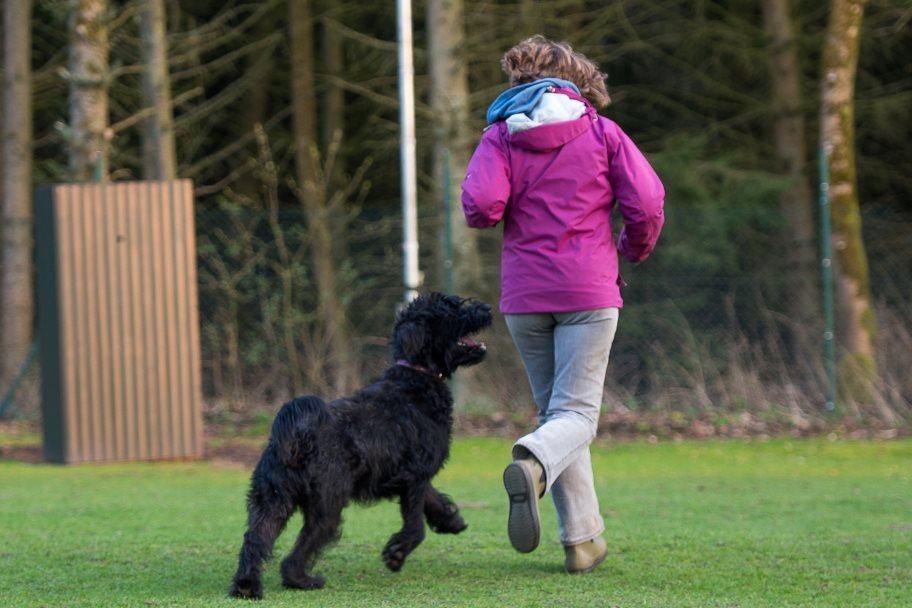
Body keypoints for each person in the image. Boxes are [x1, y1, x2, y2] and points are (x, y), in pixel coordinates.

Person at [461, 35, 665, 574]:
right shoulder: (601, 132)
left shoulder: (501, 136)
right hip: (589, 291)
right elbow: (646, 202)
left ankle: (582, 541)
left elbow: (482, 207)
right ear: (576, 80)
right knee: (575, 417)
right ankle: (532, 460)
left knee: (560, 415)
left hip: (527, 298)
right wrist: (631, 249)